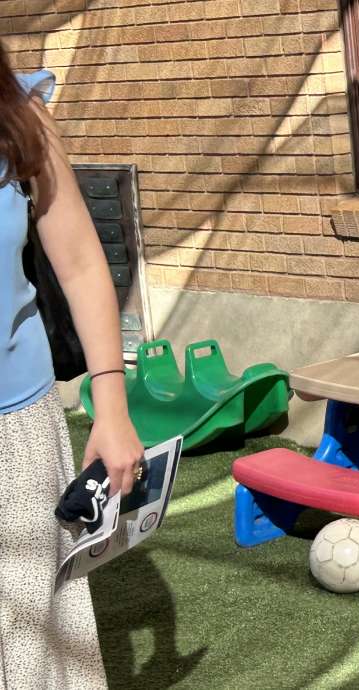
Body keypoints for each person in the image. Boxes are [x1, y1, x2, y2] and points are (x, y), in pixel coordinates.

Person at [0, 47, 144, 688]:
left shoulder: (16, 109)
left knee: (34, 653)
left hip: (16, 432)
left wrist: (110, 406)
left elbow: (83, 263)